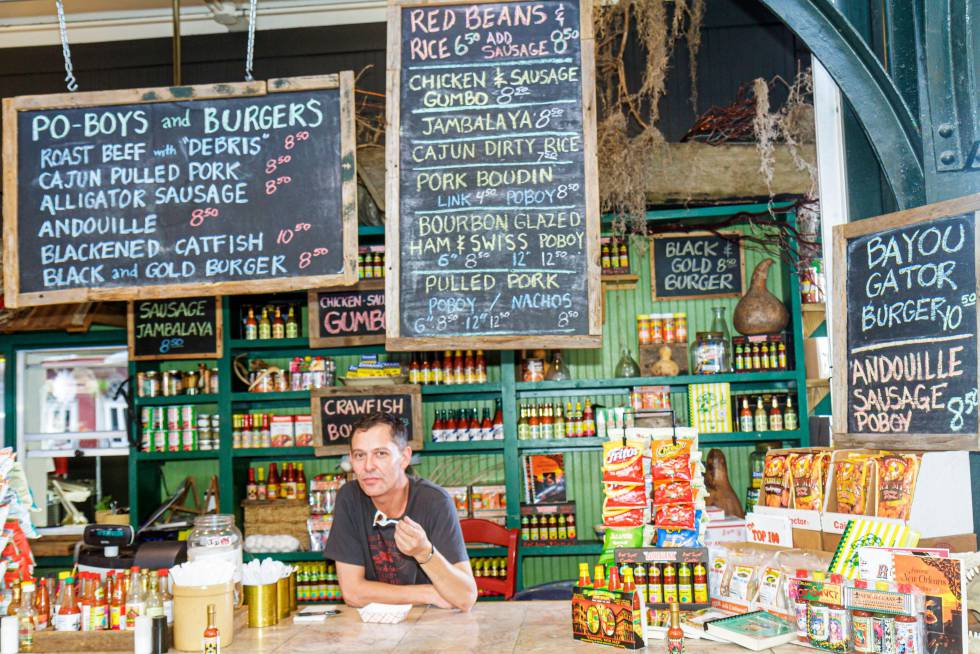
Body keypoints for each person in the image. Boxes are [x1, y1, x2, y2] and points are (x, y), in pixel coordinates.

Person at [323, 412, 477, 611]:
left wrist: (424, 552)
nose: (368, 466)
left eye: (381, 454)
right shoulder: (349, 498)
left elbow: (465, 598)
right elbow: (353, 593)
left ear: (404, 458)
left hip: (432, 630)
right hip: (374, 631)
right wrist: (428, 593)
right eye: (360, 455)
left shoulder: (434, 501)